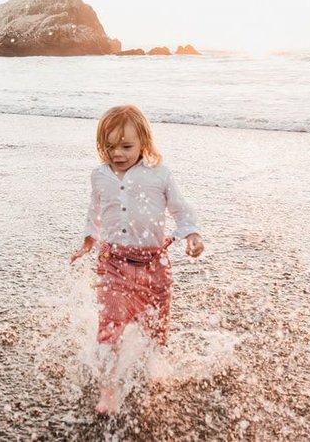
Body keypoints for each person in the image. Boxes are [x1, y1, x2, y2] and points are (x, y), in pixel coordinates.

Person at [70, 104, 204, 415]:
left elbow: (181, 211)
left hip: (154, 268)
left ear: (144, 141)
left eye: (126, 146)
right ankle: (109, 388)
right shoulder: (99, 176)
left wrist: (192, 236)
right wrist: (89, 239)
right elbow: (95, 211)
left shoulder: (160, 175)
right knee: (110, 325)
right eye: (109, 146)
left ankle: (148, 374)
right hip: (113, 264)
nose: (117, 153)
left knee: (154, 331)